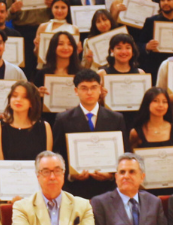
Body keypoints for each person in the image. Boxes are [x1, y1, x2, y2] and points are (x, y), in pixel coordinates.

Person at [52, 70, 128, 199]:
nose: (89, 92)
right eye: (84, 88)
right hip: (76, 189)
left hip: (108, 189)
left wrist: (111, 175)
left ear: (100, 89)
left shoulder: (116, 118)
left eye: (94, 87)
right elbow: (58, 154)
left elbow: (125, 153)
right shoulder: (63, 119)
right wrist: (71, 175)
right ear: (76, 91)